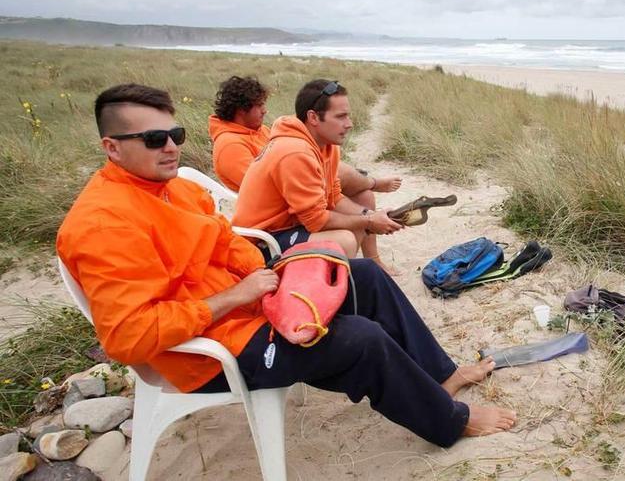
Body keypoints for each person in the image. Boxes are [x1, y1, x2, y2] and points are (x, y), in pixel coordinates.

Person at [56, 83, 515, 448]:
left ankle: (441, 378)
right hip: (213, 353)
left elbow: (227, 244)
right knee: (362, 340)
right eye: (154, 140)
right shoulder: (104, 225)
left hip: (257, 305)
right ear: (112, 148)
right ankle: (449, 422)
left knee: (367, 278)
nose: (171, 148)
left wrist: (281, 271)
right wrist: (238, 295)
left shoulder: (174, 189)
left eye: (175, 135)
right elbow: (128, 337)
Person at [210, 76, 401, 273]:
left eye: (348, 116)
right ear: (313, 118)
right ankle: (329, 287)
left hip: (291, 222)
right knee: (344, 240)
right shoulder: (294, 152)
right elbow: (316, 220)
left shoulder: (327, 145)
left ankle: (346, 274)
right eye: (340, 116)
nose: (349, 123)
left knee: (359, 212)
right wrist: (369, 221)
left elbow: (334, 196)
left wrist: (370, 215)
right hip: (262, 239)